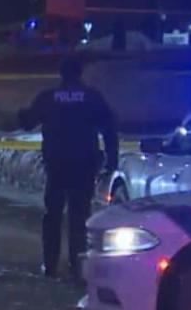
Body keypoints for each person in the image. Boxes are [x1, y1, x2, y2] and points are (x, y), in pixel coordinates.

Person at [19, 55, 118, 282]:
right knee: (80, 215)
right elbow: (109, 130)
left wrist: (21, 113)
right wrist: (112, 159)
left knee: (52, 215)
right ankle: (77, 264)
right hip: (84, 164)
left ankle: (51, 264)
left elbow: (28, 121)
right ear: (80, 72)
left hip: (57, 165)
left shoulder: (49, 98)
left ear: (61, 73)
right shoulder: (92, 97)